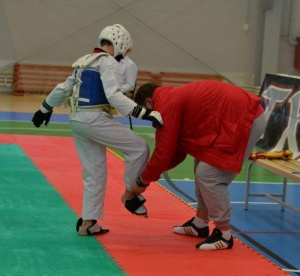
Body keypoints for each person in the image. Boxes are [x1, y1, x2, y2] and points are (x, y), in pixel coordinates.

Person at [31, 25, 163, 236]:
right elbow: (113, 95)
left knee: (94, 174)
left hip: (76, 119)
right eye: (125, 50)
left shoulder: (85, 61)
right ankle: (130, 194)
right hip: (94, 119)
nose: (124, 55)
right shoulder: (107, 62)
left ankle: (88, 223)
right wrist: (143, 113)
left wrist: (45, 108)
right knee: (139, 148)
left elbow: (63, 88)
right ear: (120, 44)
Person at [130, 81, 267, 250]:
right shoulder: (169, 97)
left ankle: (224, 234)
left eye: (147, 113)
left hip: (245, 118)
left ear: (150, 102)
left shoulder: (166, 105)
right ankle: (200, 224)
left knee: (209, 175)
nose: (150, 119)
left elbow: (164, 153)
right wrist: (148, 176)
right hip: (236, 116)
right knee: (200, 163)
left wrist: (142, 181)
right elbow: (177, 153)